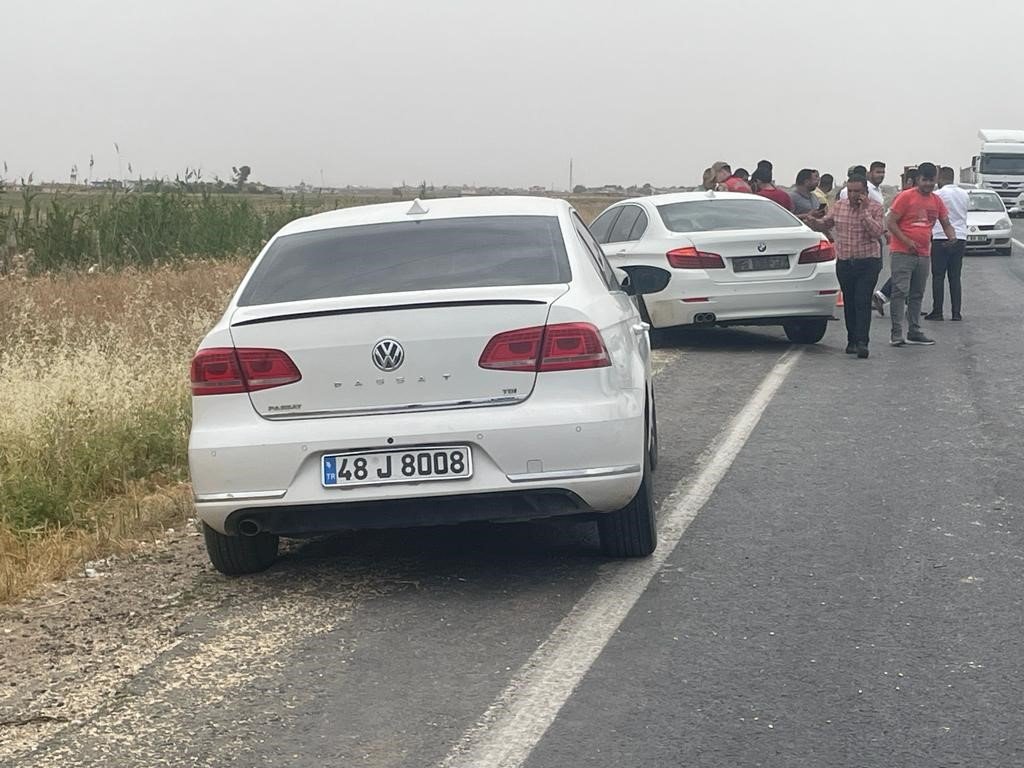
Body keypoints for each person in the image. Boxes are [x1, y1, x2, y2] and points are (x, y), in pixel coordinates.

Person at [886, 162, 956, 347]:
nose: (928, 184)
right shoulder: (905, 197)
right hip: (902, 252)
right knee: (900, 292)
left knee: (917, 294)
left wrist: (952, 237)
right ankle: (896, 333)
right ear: (918, 179)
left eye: (931, 181)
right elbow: (890, 222)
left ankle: (914, 331)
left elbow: (946, 222)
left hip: (923, 254)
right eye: (925, 180)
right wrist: (906, 241)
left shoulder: (936, 200)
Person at [822, 174, 885, 358]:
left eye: (857, 191)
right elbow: (826, 223)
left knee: (862, 300)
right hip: (845, 261)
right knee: (849, 301)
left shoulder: (875, 208)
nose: (853, 195)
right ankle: (852, 340)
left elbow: (877, 232)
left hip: (868, 261)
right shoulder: (839, 206)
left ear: (865, 192)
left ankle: (863, 341)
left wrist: (864, 212)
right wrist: (814, 221)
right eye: (850, 191)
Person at [924, 166, 968, 321]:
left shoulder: (937, 195)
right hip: (960, 237)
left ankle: (938, 311)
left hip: (940, 237)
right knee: (955, 277)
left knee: (938, 276)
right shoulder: (964, 194)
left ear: (940, 178)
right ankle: (956, 313)